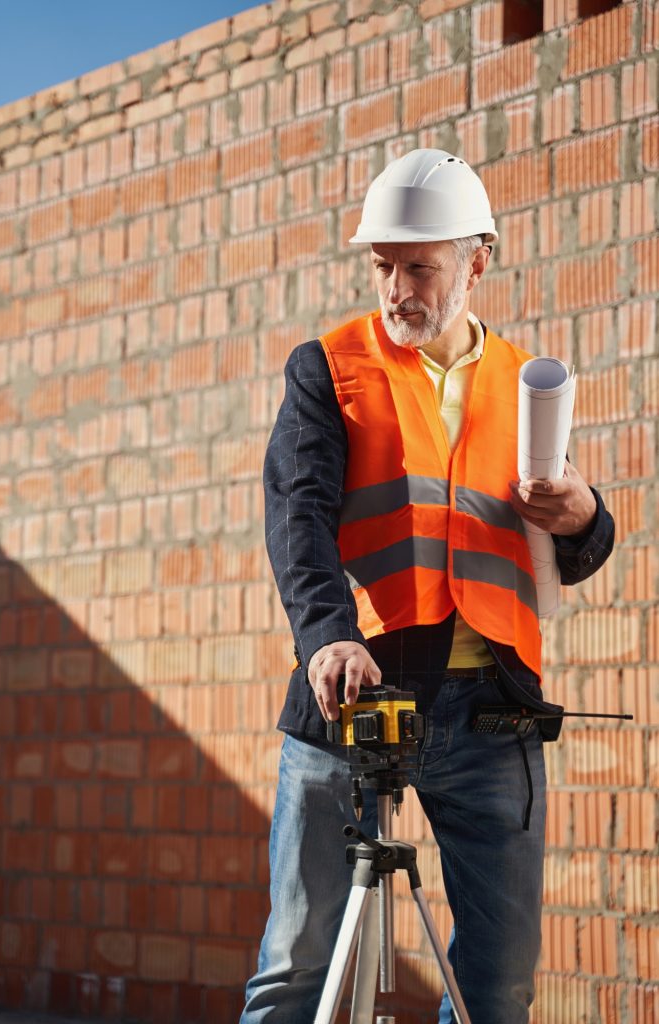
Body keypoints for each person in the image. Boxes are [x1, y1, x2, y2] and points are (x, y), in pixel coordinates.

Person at [240, 149, 614, 1024]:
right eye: (383, 267)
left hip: (493, 711)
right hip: (355, 692)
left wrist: (583, 511)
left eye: (420, 267)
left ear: (476, 261)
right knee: (296, 972)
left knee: (496, 989)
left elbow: (574, 546)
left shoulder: (527, 384)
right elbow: (297, 517)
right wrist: (326, 634)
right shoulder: (329, 368)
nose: (397, 288)